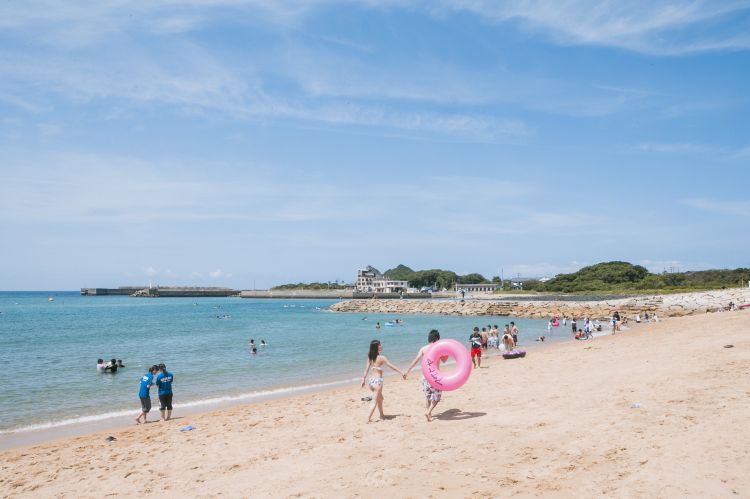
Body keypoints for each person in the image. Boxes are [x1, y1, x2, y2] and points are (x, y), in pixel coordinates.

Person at [360, 340, 404, 423]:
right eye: (379, 345)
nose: (381, 346)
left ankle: (382, 415)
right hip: (377, 382)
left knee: (380, 398)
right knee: (375, 401)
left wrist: (363, 379)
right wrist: (401, 372)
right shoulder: (382, 358)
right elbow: (392, 367)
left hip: (371, 382)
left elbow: (366, 369)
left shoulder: (370, 357)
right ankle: (368, 418)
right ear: (376, 347)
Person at [404, 329, 443, 422]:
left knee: (428, 397)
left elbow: (416, 360)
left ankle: (428, 413)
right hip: (435, 376)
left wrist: (407, 371)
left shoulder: (423, 348)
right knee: (437, 397)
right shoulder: (439, 348)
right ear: (437, 338)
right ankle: (428, 412)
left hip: (425, 376)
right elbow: (445, 360)